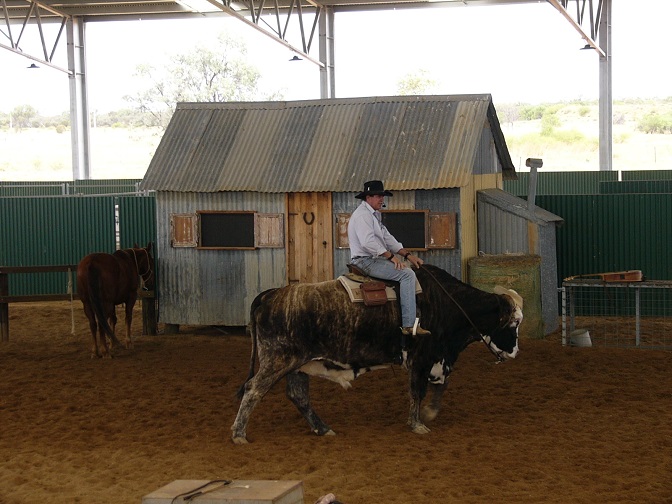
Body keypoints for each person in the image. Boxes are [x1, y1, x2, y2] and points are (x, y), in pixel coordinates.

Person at [348, 180, 431, 337]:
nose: (382, 199)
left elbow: (388, 239)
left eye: (382, 196)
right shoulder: (363, 216)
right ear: (368, 197)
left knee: (407, 268)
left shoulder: (374, 215)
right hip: (365, 261)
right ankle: (408, 325)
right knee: (407, 275)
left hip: (372, 259)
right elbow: (368, 243)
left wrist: (408, 255)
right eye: (379, 196)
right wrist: (391, 257)